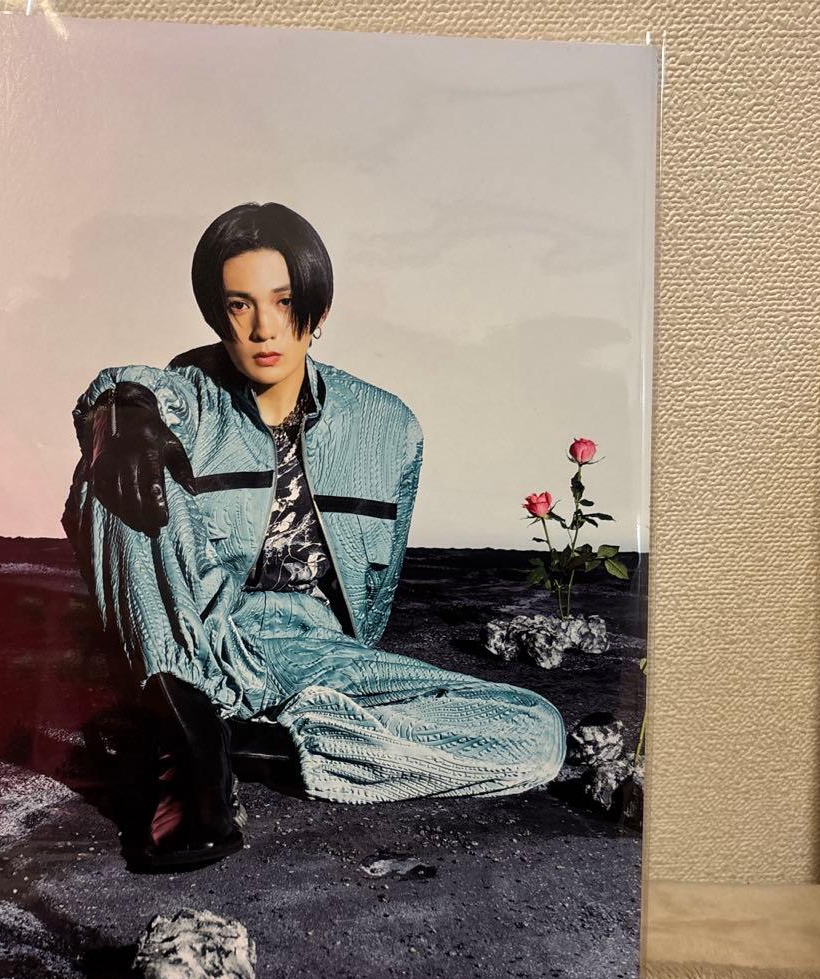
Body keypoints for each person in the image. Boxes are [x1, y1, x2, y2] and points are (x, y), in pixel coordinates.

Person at [62, 202, 565, 871]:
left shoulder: (387, 427)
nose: (264, 327)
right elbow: (134, 386)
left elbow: (376, 593)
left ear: (318, 310)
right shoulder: (191, 399)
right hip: (200, 638)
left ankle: (256, 743)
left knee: (536, 735)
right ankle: (190, 741)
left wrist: (342, 674)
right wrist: (119, 414)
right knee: (116, 467)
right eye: (240, 305)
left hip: (316, 653)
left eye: (284, 301)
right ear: (217, 316)